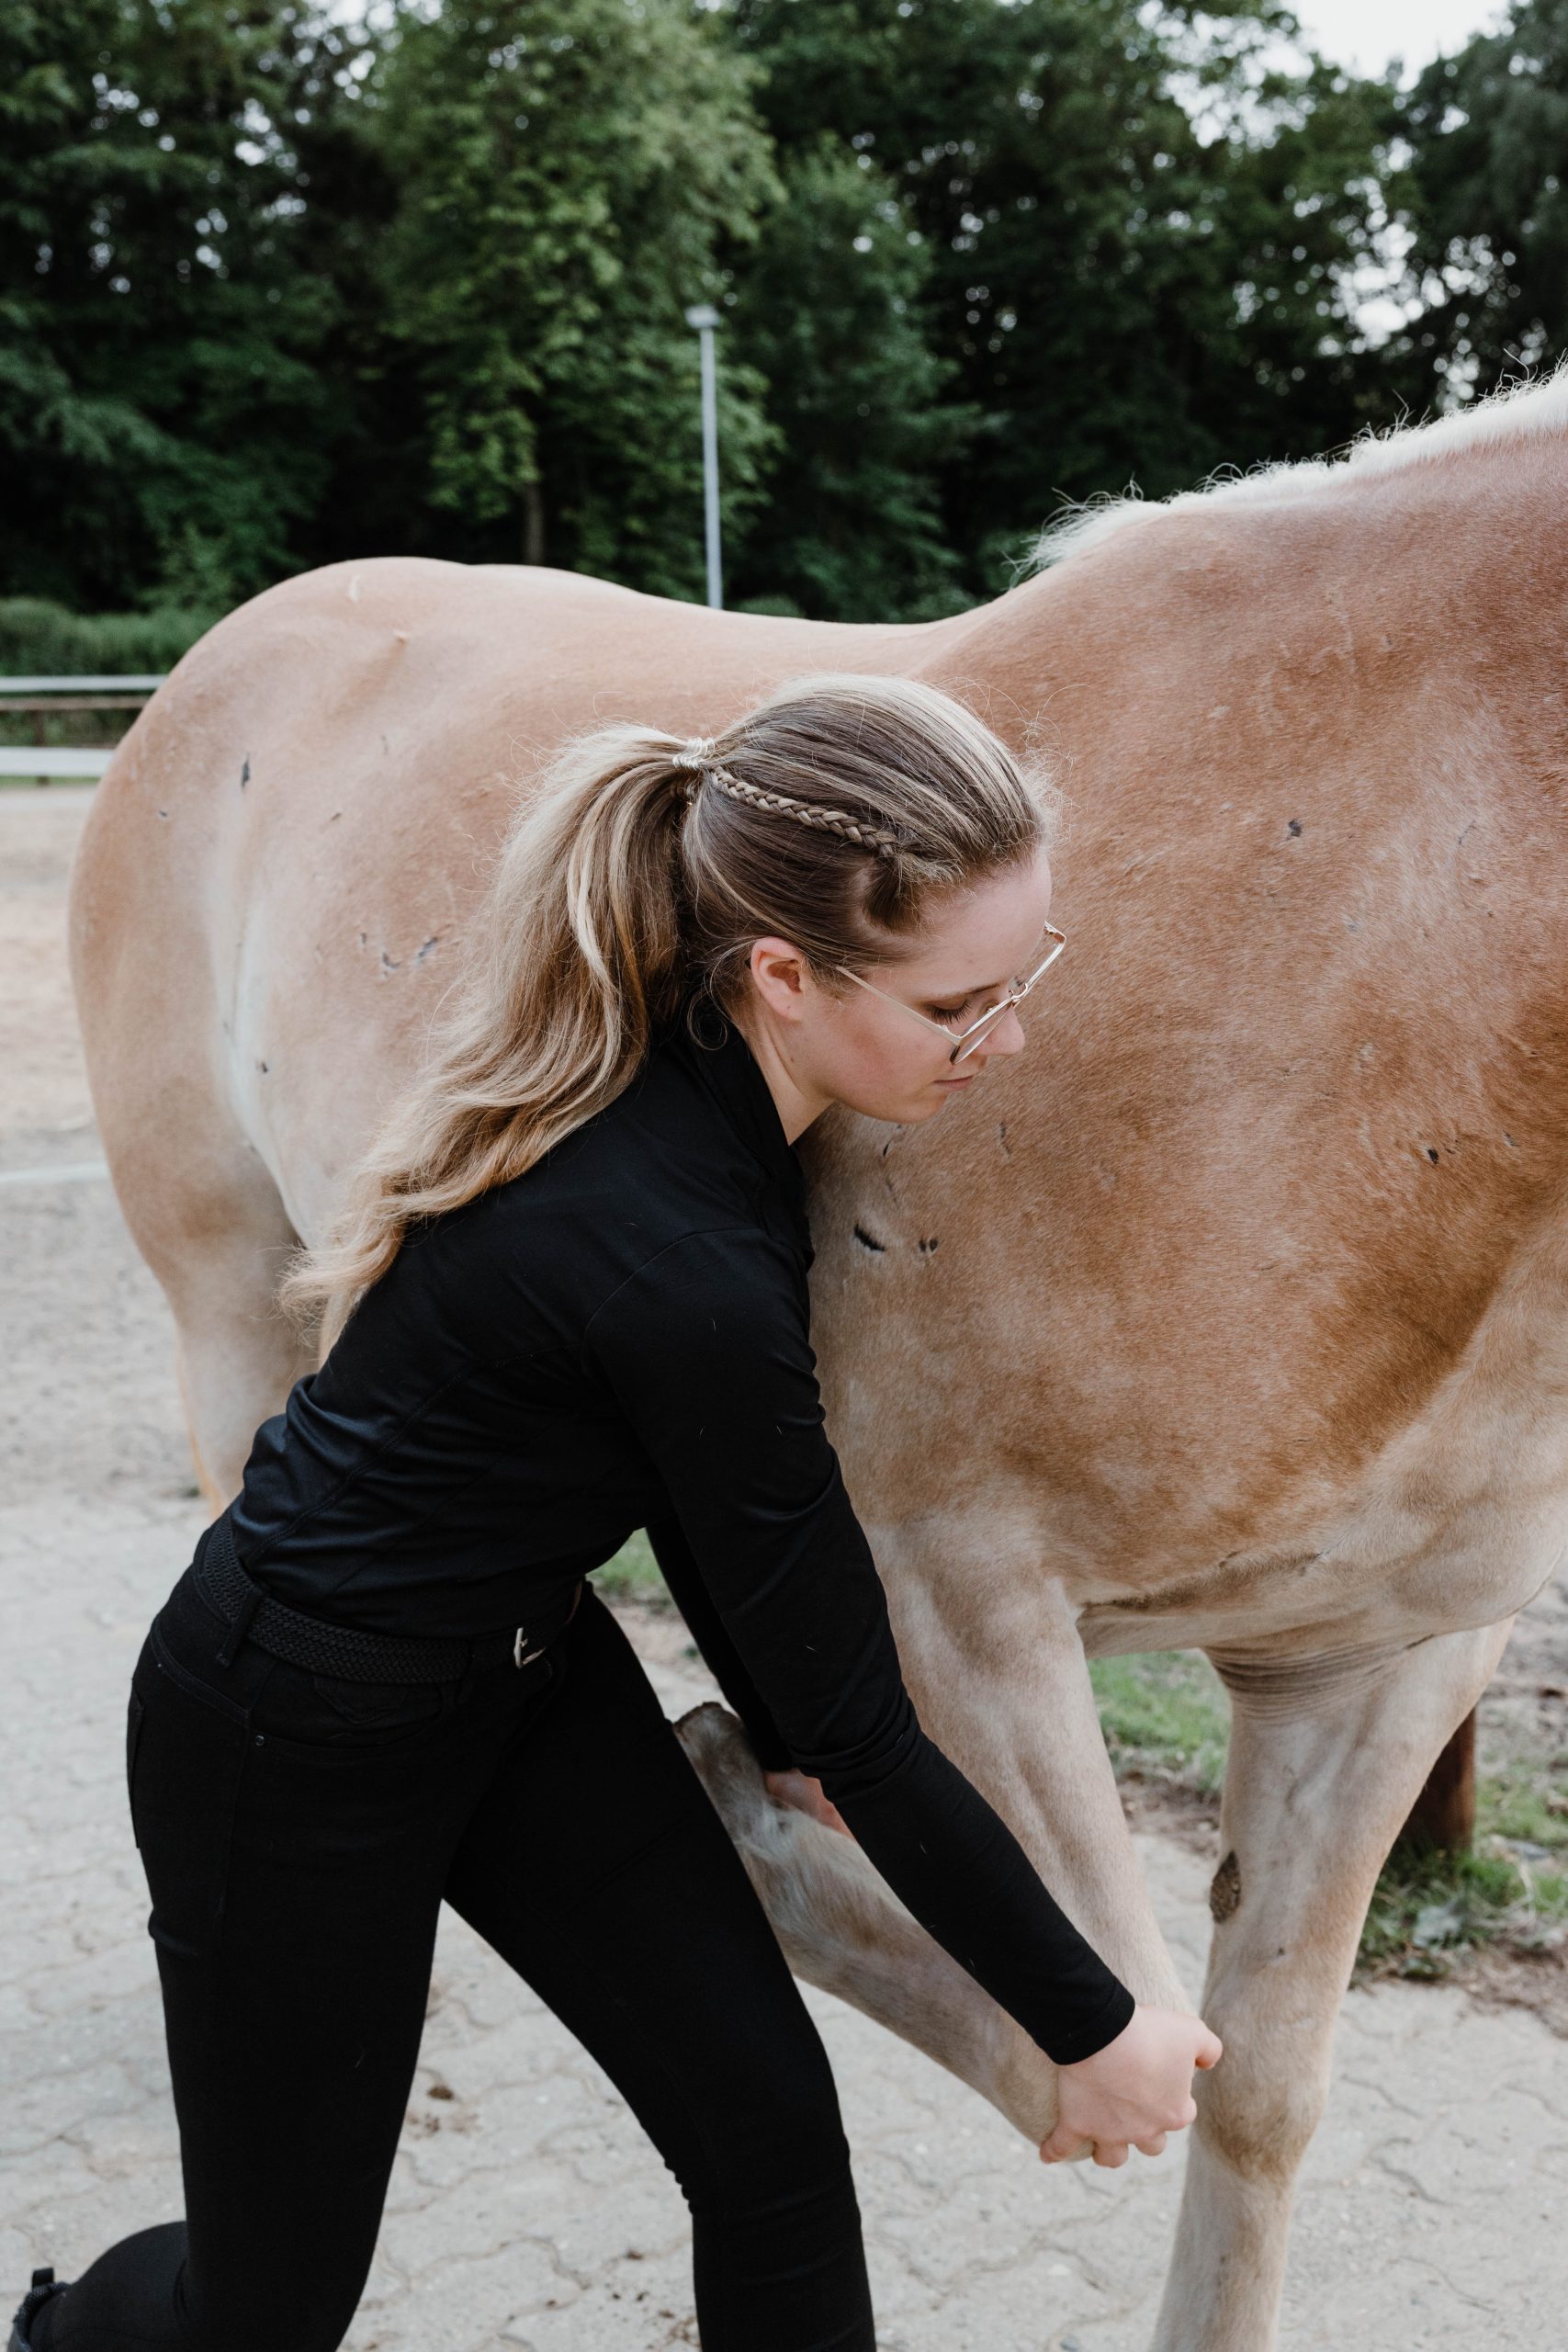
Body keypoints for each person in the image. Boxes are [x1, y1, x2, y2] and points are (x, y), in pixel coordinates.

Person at [11, 672, 1221, 2352]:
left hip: (523, 1679)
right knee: (265, 2309)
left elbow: (708, 1503)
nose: (1002, 1039)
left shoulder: (727, 1096)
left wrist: (785, 1726)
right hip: (289, 1734)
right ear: (787, 975)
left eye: (1027, 978)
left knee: (773, 2152)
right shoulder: (674, 1250)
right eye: (963, 1004)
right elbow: (866, 1725)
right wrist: (1094, 2024)